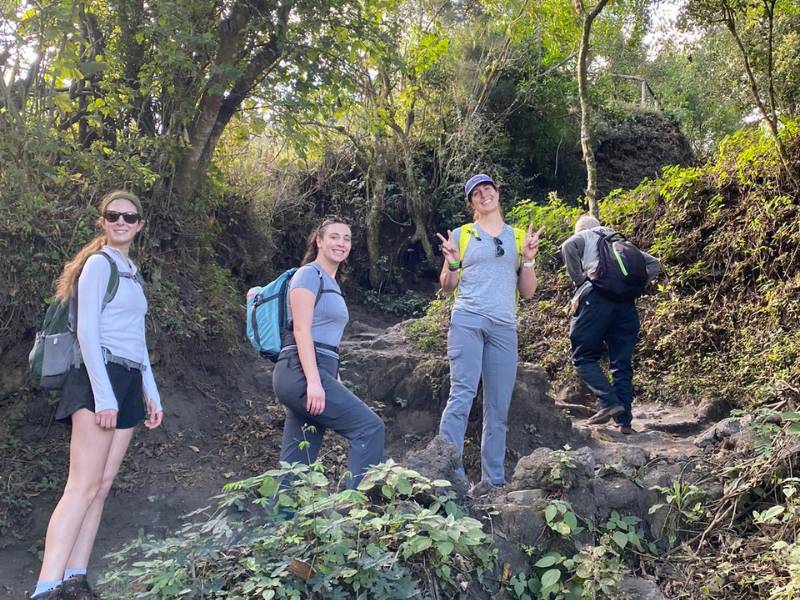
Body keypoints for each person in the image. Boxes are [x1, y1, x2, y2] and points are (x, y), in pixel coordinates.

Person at [31, 190, 163, 600]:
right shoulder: (97, 265)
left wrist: (151, 392)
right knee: (81, 486)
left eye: (129, 216)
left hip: (126, 379)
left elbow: (137, 339)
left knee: (102, 485)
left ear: (139, 225)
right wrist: (104, 397)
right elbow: (87, 332)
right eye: (113, 215)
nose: (121, 221)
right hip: (95, 378)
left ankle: (75, 578)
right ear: (103, 221)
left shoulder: (131, 271)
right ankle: (46, 587)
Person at [436, 174, 543, 496]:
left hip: (504, 328)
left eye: (489, 189)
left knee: (498, 406)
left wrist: (529, 259)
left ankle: (492, 481)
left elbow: (527, 292)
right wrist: (452, 263)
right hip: (467, 321)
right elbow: (447, 285)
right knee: (462, 396)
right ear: (471, 203)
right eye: (477, 193)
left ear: (498, 194)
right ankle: (449, 474)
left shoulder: (517, 237)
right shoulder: (462, 234)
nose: (484, 195)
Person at [272, 217, 384, 489]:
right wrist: (313, 381)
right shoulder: (308, 275)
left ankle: (282, 521)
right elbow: (301, 330)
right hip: (299, 370)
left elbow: (329, 341)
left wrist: (334, 379)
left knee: (298, 458)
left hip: (319, 370)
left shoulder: (332, 283)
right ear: (319, 241)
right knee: (370, 428)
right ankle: (355, 513)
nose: (341, 243)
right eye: (334, 237)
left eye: (346, 238)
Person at [560, 214, 661, 434]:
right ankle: (624, 423)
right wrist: (630, 287)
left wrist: (581, 282)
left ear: (580, 230)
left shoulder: (584, 235)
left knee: (582, 357)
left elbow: (567, 246)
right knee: (621, 363)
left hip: (596, 301)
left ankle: (608, 402)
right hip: (625, 306)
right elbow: (655, 264)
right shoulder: (621, 243)